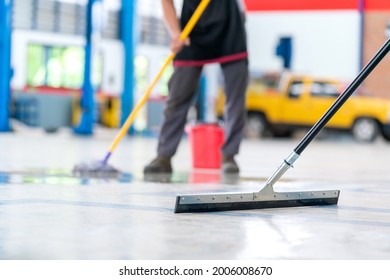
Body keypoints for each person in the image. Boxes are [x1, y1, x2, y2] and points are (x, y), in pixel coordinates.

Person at [144, 0, 249, 174]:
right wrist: (175, 33)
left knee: (235, 97)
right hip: (191, 30)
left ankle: (229, 155)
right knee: (177, 96)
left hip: (230, 28)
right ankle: (164, 156)